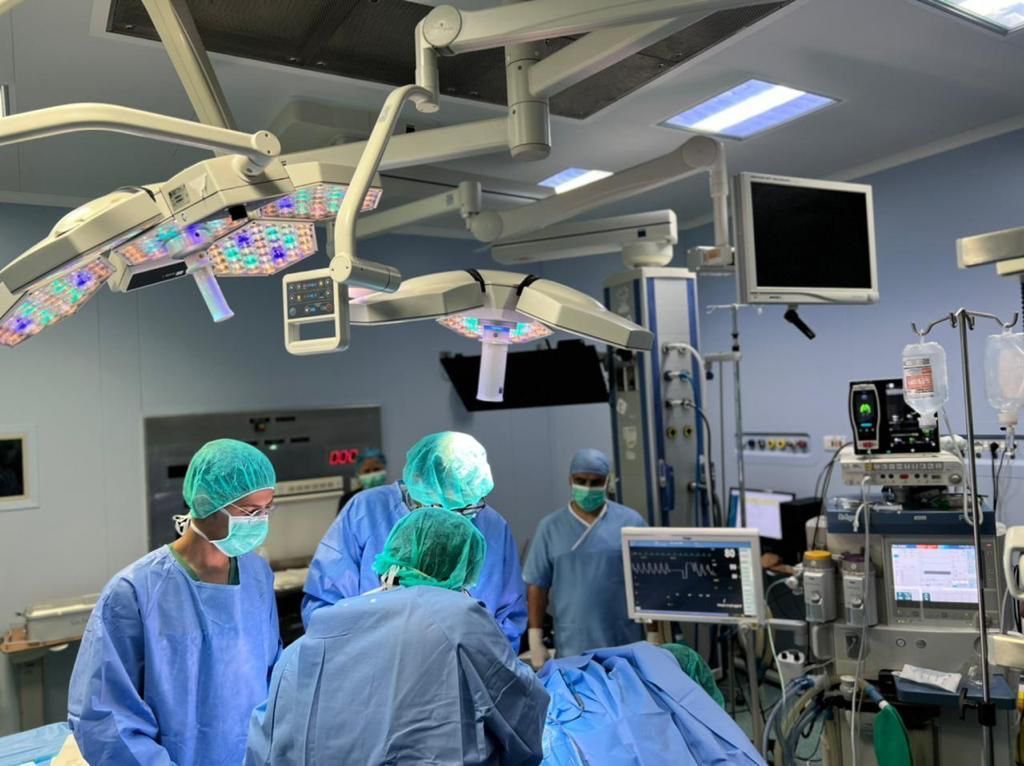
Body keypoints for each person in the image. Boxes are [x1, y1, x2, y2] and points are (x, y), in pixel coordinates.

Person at [246, 509, 549, 765]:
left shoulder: (315, 636)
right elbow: (521, 719)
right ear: (461, 570)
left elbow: (267, 745)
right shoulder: (459, 618)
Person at [68, 439, 281, 766]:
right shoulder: (135, 592)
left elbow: (274, 680)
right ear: (207, 503)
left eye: (268, 509)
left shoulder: (257, 576)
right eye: (251, 511)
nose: (261, 521)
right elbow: (107, 719)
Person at [303, 431, 527, 647]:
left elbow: (509, 616)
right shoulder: (366, 512)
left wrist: (485, 662)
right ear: (417, 485)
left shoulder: (492, 526)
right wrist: (363, 657)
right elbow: (324, 609)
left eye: (464, 510)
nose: (452, 523)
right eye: (438, 508)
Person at [523, 448, 646, 666]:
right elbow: (537, 586)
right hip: (573, 643)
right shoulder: (550, 527)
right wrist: (535, 638)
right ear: (570, 480)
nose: (588, 488)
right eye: (581, 481)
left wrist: (654, 634)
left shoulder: (630, 522)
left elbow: (647, 581)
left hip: (623, 640)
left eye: (595, 482)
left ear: (607, 481)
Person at [336, 447, 389, 514]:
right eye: (367, 471)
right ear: (358, 474)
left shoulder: (393, 496)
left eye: (376, 469)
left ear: (384, 470)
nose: (372, 474)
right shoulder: (348, 500)